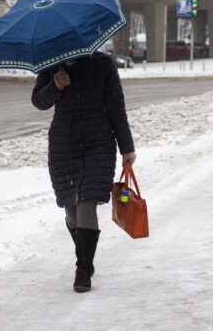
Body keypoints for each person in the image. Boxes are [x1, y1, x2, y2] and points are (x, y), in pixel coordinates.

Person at [31, 52, 136, 293]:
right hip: (63, 144)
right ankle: (86, 257)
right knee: (70, 207)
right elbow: (38, 101)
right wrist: (55, 86)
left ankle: (82, 269)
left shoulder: (103, 63)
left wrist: (126, 148)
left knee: (86, 201)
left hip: (98, 142)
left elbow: (116, 107)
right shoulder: (51, 64)